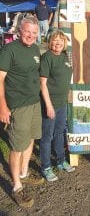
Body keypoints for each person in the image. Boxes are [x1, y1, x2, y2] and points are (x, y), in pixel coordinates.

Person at [0, 15, 43, 208]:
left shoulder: (35, 48)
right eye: (27, 31)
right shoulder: (9, 50)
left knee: (31, 138)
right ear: (19, 31)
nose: (31, 35)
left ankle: (24, 174)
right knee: (17, 146)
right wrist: (2, 106)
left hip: (34, 103)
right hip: (18, 105)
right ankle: (17, 187)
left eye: (34, 32)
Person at [40, 29, 75, 182]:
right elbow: (43, 84)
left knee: (59, 133)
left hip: (62, 103)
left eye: (60, 40)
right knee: (47, 136)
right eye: (54, 40)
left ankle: (61, 161)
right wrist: (48, 106)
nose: (57, 43)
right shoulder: (47, 57)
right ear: (50, 42)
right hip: (51, 104)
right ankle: (46, 167)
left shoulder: (65, 56)